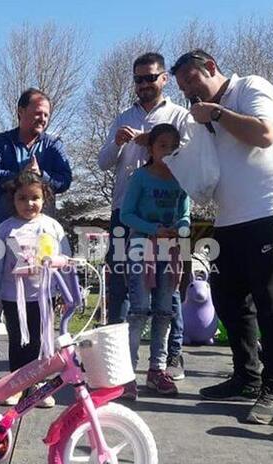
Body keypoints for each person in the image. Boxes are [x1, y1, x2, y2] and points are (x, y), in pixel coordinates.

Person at [171, 49, 273, 424]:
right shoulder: (198, 116)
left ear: (211, 68)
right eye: (183, 87)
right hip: (229, 220)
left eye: (192, 81)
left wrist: (216, 113)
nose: (189, 91)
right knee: (228, 299)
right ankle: (246, 376)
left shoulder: (251, 87)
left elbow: (265, 134)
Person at [98, 52, 191, 382]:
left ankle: (170, 356)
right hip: (125, 211)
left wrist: (152, 143)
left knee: (169, 288)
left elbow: (190, 160)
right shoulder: (124, 116)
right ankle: (119, 359)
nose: (144, 85)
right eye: (138, 79)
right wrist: (119, 143)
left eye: (150, 78)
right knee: (122, 285)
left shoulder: (180, 116)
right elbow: (104, 162)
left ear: (164, 79)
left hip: (167, 217)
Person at [0, 88, 72, 366]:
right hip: (0, 227)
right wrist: (22, 177)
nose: (42, 119)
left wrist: (43, 177)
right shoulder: (2, 141)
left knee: (39, 286)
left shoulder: (53, 145)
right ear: (20, 112)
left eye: (47, 114)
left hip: (40, 234)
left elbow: (66, 179)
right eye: (37, 112)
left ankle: (40, 353)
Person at [0, 171, 70, 407]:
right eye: (22, 198)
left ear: (45, 199)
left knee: (43, 342)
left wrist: (66, 291)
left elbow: (65, 259)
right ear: (12, 200)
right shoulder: (4, 229)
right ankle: (17, 386)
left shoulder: (52, 227)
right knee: (19, 342)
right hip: (13, 298)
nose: (29, 204)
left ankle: (38, 385)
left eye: (35, 198)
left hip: (45, 296)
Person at [120, 124, 189, 400]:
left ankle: (157, 369)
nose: (169, 151)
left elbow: (185, 214)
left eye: (174, 147)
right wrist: (152, 229)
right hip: (141, 248)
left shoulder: (181, 179)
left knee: (164, 310)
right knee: (138, 310)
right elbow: (127, 214)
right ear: (151, 149)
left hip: (169, 251)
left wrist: (179, 228)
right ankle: (127, 374)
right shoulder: (141, 177)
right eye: (163, 146)